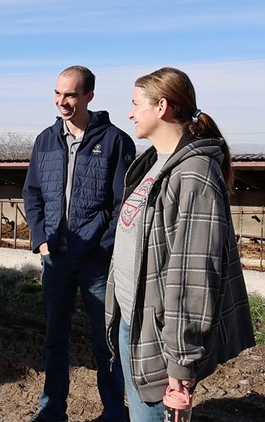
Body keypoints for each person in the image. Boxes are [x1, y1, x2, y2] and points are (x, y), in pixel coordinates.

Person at [105, 67, 256, 421]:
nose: (129, 113)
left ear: (162, 107)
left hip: (162, 335)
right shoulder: (154, 165)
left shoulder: (193, 174)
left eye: (135, 104)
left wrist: (182, 360)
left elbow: (194, 277)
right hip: (135, 321)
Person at [23, 65, 136, 422]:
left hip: (97, 263)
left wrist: (104, 245)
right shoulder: (45, 140)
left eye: (70, 94)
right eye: (57, 94)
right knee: (55, 341)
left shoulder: (116, 141)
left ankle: (114, 413)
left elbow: (124, 204)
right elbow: (33, 193)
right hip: (55, 259)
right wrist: (41, 239)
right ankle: (52, 410)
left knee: (107, 345)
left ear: (89, 95)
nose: (62, 102)